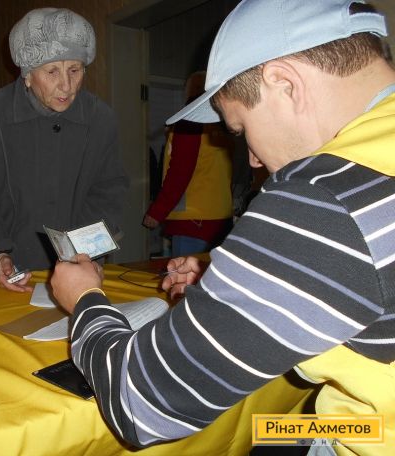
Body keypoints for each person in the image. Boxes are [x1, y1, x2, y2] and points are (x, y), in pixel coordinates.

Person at [51, 1, 395, 454]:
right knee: (268, 431)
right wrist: (237, 279)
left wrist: (84, 299)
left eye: (240, 128)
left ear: (284, 83)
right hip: (370, 422)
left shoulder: (323, 197)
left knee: (254, 436)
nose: (252, 159)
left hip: (363, 438)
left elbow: (141, 402)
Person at [0, 7, 128, 292]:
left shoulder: (101, 119)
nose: (66, 85)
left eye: (75, 70)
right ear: (27, 74)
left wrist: (86, 253)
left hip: (78, 267)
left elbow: (108, 193)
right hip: (1, 267)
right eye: (52, 71)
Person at [143, 71, 233, 255]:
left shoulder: (190, 121)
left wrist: (157, 211)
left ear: (190, 91)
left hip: (192, 222)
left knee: (183, 273)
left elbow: (180, 170)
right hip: (222, 219)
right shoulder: (225, 121)